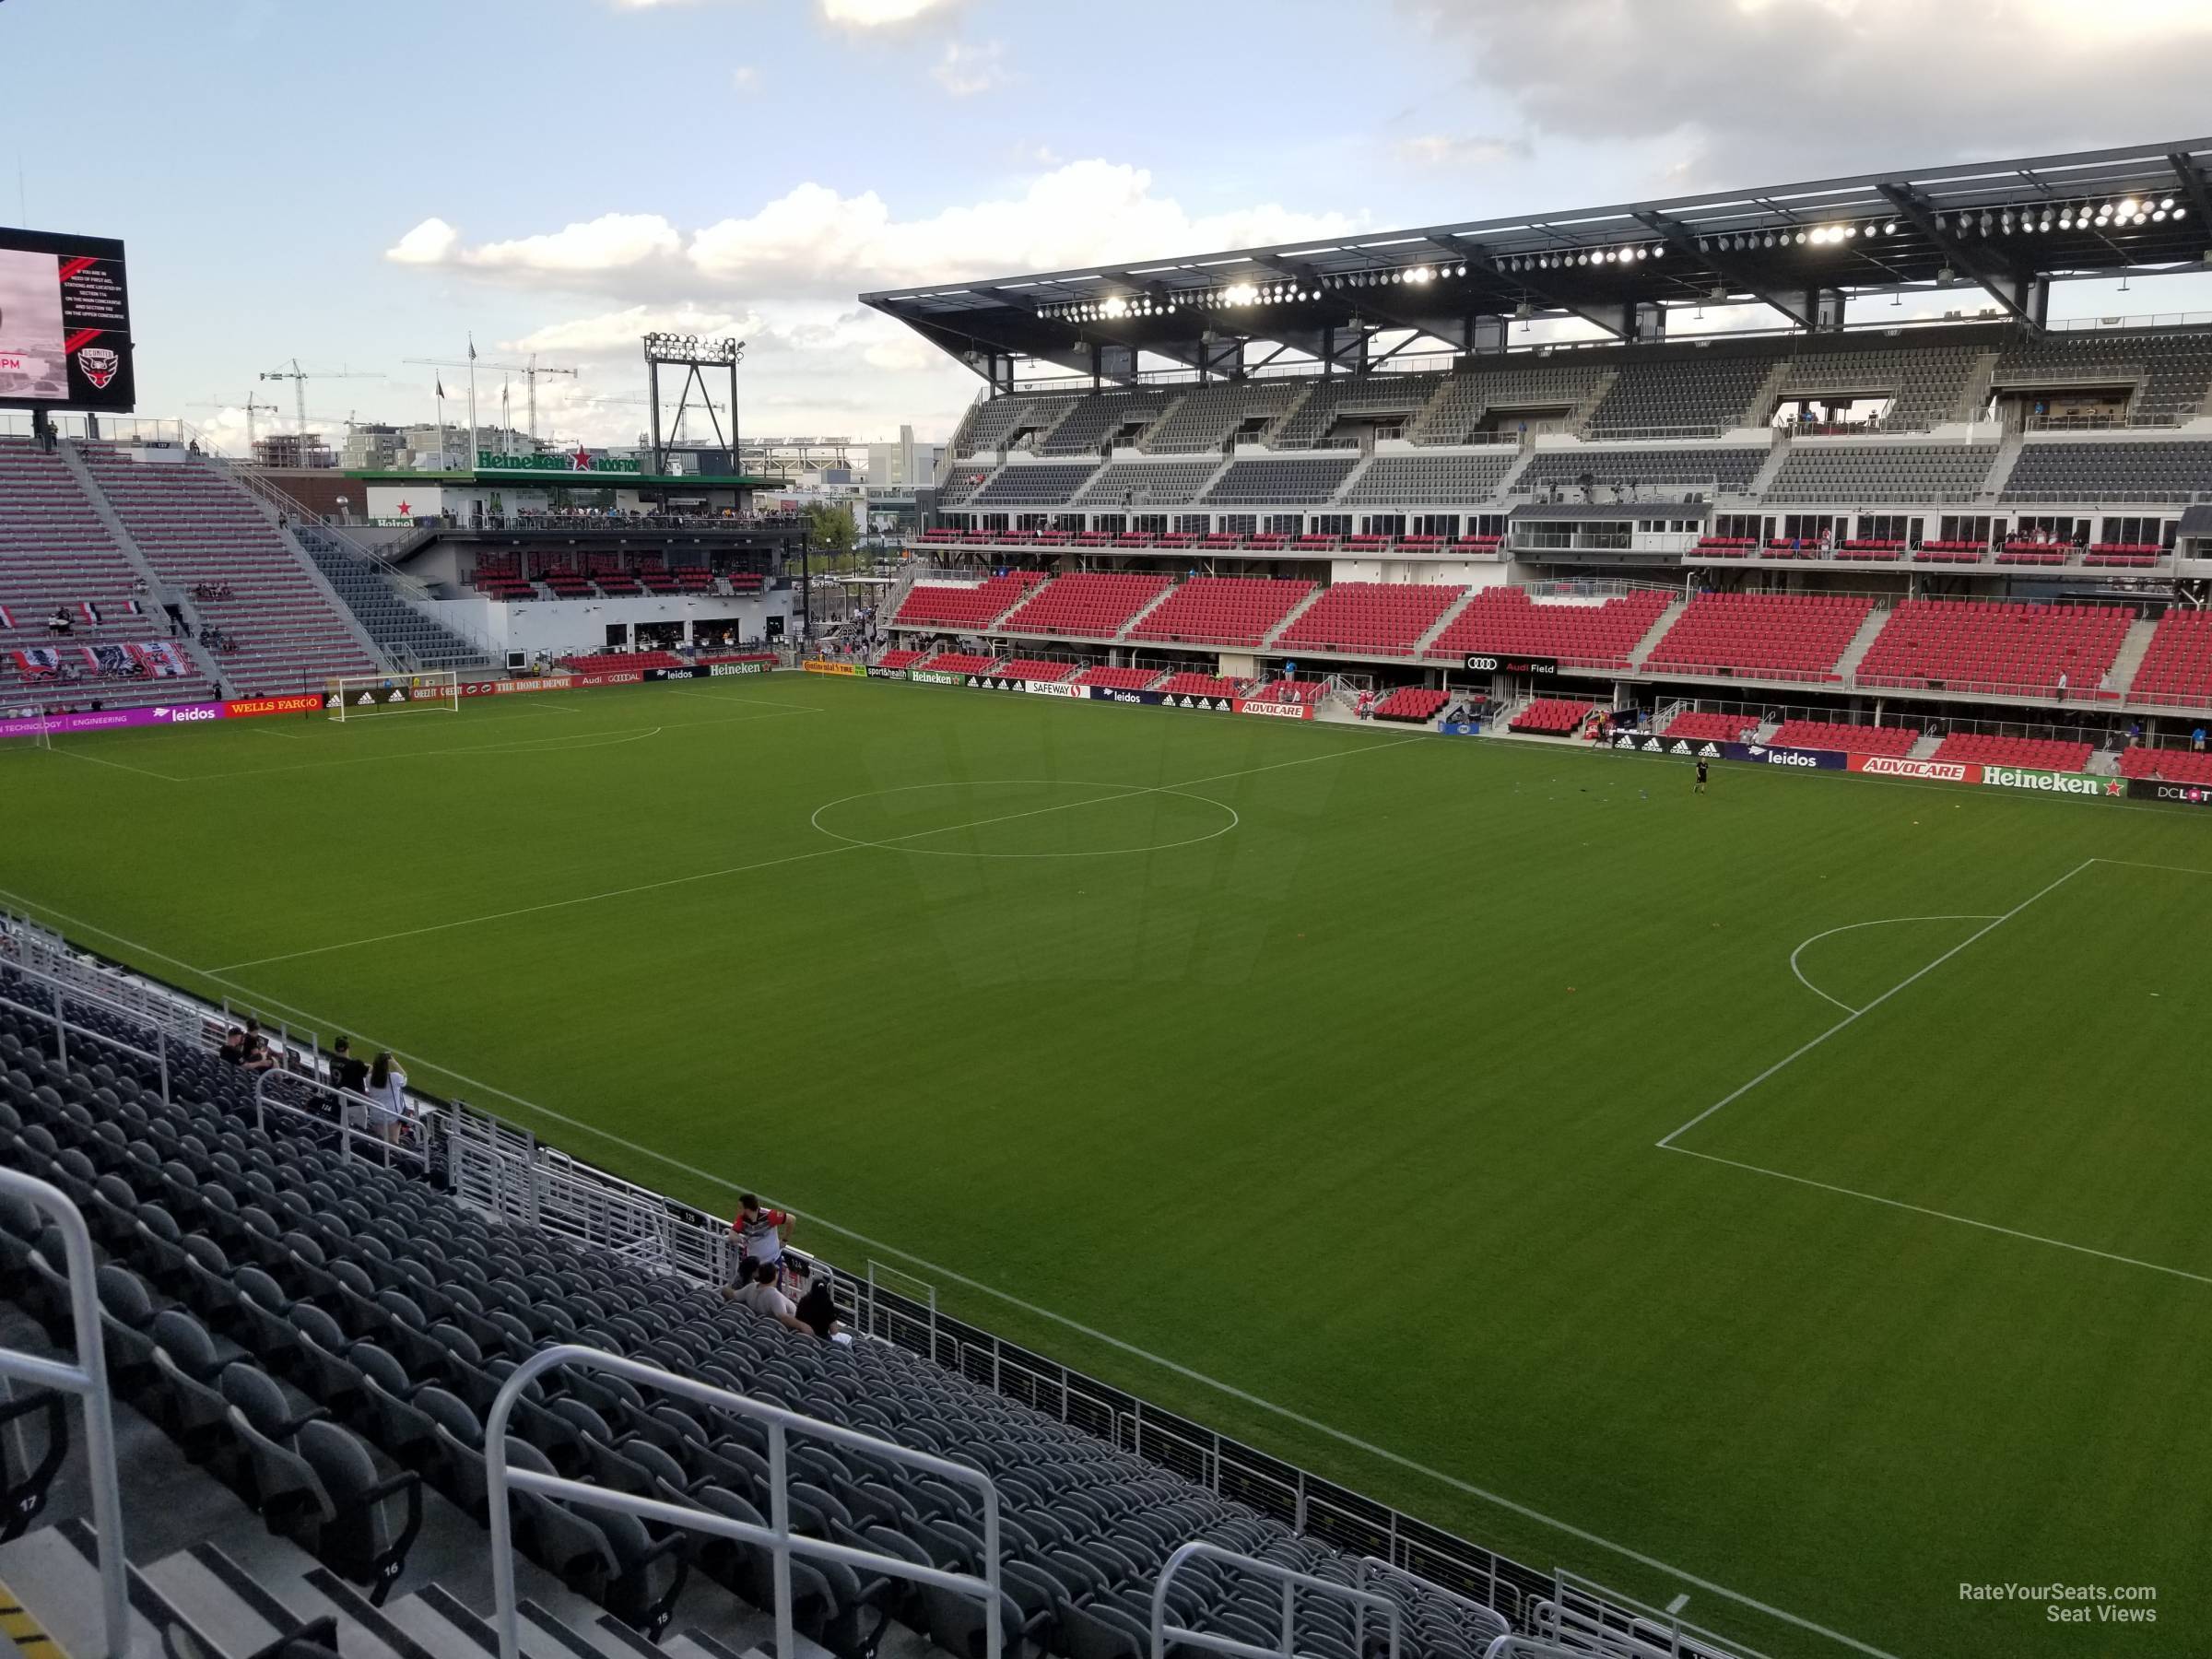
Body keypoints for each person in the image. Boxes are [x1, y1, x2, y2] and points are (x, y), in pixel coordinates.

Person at [731, 1193, 792, 1281]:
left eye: (740, 1207)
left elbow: (791, 1219)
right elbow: (731, 1235)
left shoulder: (769, 1215)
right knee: (750, 1290)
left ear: (747, 1209)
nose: (738, 1209)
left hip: (772, 1262)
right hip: (753, 1265)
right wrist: (742, 1240)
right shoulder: (742, 1219)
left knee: (772, 1292)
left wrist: (785, 1240)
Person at [726, 1259, 800, 1325]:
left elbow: (732, 1294)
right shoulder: (774, 1296)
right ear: (775, 1276)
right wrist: (802, 1325)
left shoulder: (751, 1287)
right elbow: (784, 1318)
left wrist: (723, 1289)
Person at [792, 1263, 848, 1342]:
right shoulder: (828, 1304)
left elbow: (797, 1320)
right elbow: (834, 1331)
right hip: (823, 1343)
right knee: (848, 1339)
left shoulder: (803, 1300)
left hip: (803, 1339)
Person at [365, 1051, 409, 1142]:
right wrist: (393, 1061)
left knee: (380, 1141)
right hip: (392, 1115)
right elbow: (404, 1076)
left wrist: (374, 1067)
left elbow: (370, 1072)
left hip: (376, 1115)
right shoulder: (394, 1077)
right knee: (393, 1141)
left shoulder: (369, 1078)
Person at [332, 1036, 370, 1100]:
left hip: (339, 1098)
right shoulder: (356, 1063)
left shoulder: (332, 1062)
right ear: (347, 1048)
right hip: (356, 1101)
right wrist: (370, 1067)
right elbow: (368, 1072)